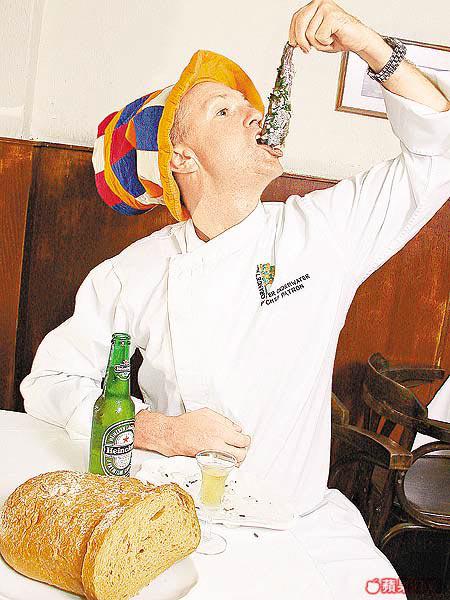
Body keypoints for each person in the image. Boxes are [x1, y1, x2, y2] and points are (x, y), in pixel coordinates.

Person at [21, 1, 449, 598]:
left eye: (249, 104)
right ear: (182, 158)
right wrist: (158, 430)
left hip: (294, 524)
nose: (256, 113)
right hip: (169, 524)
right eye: (224, 110)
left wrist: (366, 43)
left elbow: (438, 152)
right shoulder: (134, 271)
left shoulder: (322, 233)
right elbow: (49, 383)